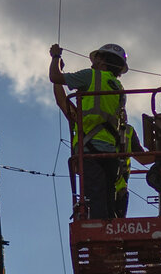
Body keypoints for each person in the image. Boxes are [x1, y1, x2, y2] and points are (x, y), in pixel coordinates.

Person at [49, 41, 148, 219]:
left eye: (96, 59)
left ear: (102, 60)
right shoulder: (119, 89)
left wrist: (56, 57)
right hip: (111, 154)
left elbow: (55, 77)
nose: (92, 62)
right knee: (107, 203)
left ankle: (100, 227)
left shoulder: (91, 76)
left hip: (89, 151)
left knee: (95, 204)